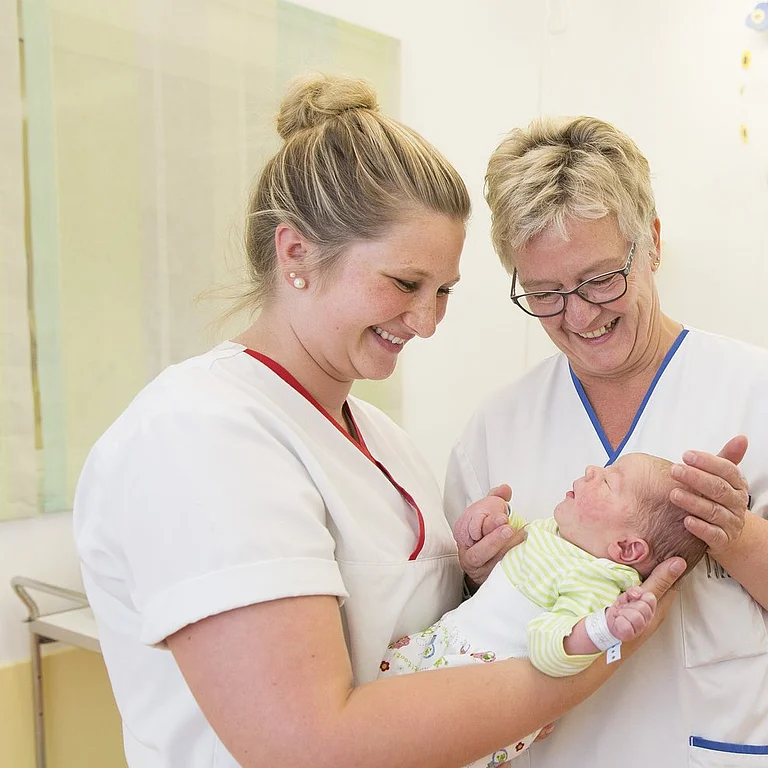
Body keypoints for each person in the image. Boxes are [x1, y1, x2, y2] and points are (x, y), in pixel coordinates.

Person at [71, 76, 688, 768]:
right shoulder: (200, 434)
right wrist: (593, 653)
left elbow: (427, 646)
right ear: (295, 253)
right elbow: (307, 745)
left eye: (443, 292)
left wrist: (489, 574)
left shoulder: (379, 440)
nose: (427, 323)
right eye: (405, 284)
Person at [447, 115, 768, 767]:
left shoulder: (753, 391)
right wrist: (487, 577)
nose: (580, 315)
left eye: (599, 280)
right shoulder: (495, 429)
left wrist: (736, 535)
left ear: (651, 242)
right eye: (545, 293)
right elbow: (466, 639)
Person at [381, 453, 705, 766]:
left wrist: (603, 628)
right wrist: (493, 514)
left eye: (609, 482)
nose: (593, 469)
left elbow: (551, 651)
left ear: (626, 548)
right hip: (440, 649)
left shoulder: (596, 580)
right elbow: (512, 536)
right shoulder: (553, 533)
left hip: (478, 685)